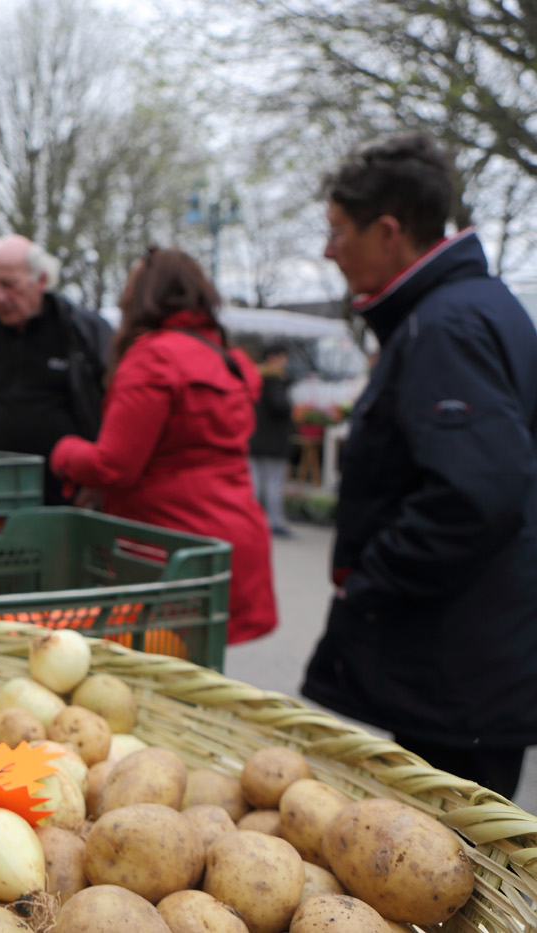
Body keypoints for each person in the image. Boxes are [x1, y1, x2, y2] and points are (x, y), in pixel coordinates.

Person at [301, 133, 537, 798]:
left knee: (449, 860)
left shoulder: (446, 325)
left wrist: (371, 581)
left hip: (459, 667)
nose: (328, 250)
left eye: (337, 230)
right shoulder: (471, 306)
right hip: (474, 657)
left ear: (388, 231)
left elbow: (476, 494)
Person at [49, 247, 278, 645]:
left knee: (160, 675)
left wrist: (63, 451)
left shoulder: (154, 357)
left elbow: (114, 466)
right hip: (230, 539)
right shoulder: (224, 358)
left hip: (171, 547)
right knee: (199, 677)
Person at [0, 235, 112, 505]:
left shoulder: (81, 332)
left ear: (40, 279)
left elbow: (111, 406)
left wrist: (98, 478)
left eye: (8, 284)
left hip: (66, 493)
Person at [249, 344, 295, 538]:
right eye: (283, 357)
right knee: (274, 483)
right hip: (273, 441)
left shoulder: (253, 376)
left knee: (255, 481)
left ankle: (251, 518)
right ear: (272, 357)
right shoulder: (276, 379)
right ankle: (274, 522)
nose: (285, 361)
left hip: (255, 437)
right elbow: (280, 405)